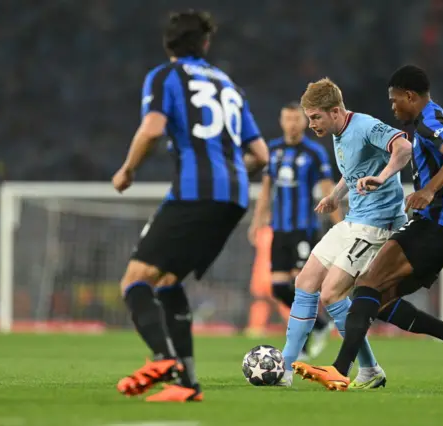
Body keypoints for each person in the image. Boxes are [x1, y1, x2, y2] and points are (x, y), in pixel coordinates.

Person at [292, 65, 443, 391]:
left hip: (438, 224)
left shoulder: (429, 121)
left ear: (411, 96)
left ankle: (341, 369)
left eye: (395, 102)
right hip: (434, 224)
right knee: (377, 300)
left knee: (366, 285)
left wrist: (427, 190)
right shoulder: (431, 119)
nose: (393, 109)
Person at [111, 10, 269, 402]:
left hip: (195, 192)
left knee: (135, 280)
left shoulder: (165, 76)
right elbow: (262, 155)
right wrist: (231, 170)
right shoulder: (229, 84)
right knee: (167, 282)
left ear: (169, 45)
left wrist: (127, 170)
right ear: (206, 45)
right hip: (234, 197)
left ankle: (163, 358)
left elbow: (151, 129)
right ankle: (187, 383)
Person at [279, 77, 413, 388]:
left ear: (336, 110)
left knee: (331, 293)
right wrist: (335, 196)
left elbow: (404, 147)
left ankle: (368, 369)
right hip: (355, 219)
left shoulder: (365, 126)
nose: (311, 124)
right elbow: (353, 172)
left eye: (315, 117)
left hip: (378, 224)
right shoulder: (338, 132)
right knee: (306, 280)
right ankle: (284, 368)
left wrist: (382, 177)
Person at [249, 102, 341, 359]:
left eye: (295, 119)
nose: (291, 123)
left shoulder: (314, 153)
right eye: (287, 119)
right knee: (278, 288)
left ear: (303, 122)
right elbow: (267, 190)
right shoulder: (273, 150)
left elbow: (327, 190)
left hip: (304, 229)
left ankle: (301, 347)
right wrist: (258, 221)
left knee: (302, 287)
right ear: (281, 121)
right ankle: (320, 324)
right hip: (279, 229)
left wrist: (340, 225)